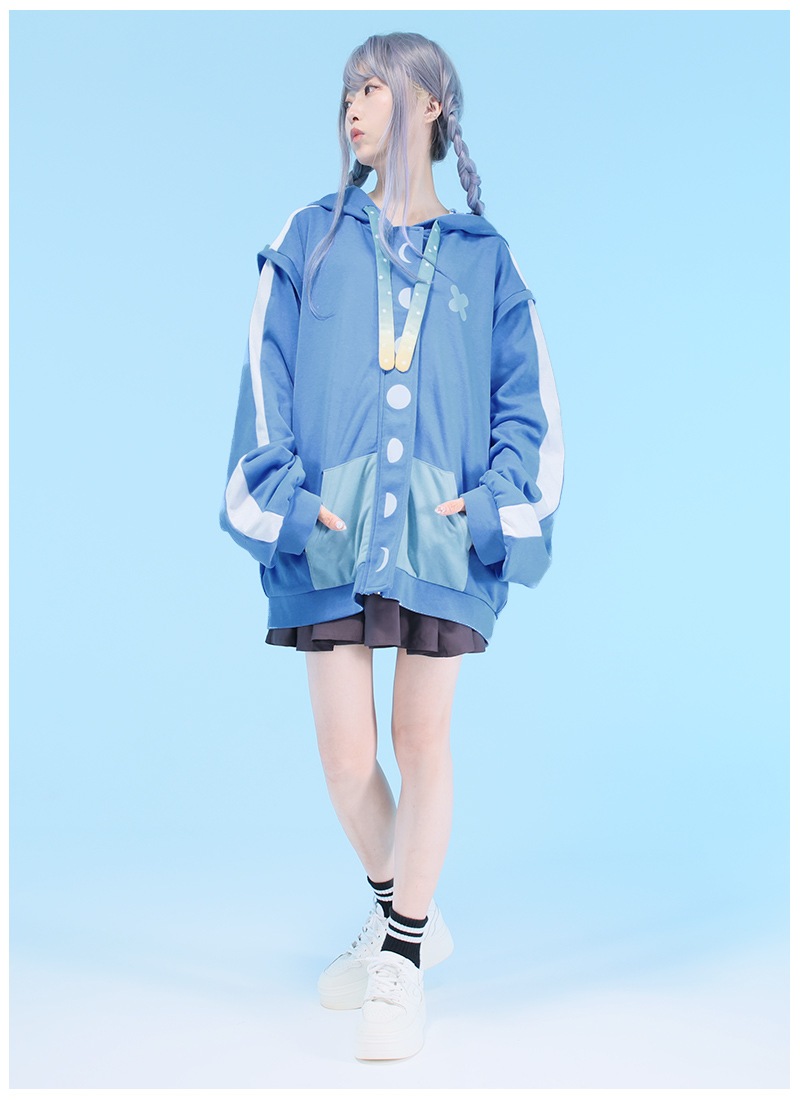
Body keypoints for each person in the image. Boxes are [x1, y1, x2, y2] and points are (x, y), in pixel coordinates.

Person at [219, 30, 565, 1062]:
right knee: (343, 755)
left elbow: (528, 403)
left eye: (372, 88)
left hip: (439, 532)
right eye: (347, 92)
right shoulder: (309, 237)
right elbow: (264, 377)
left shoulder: (484, 257)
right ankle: (402, 908)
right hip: (329, 526)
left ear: (430, 103)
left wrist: (493, 504)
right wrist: (287, 500)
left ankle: (401, 955)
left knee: (420, 738)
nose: (353, 107)